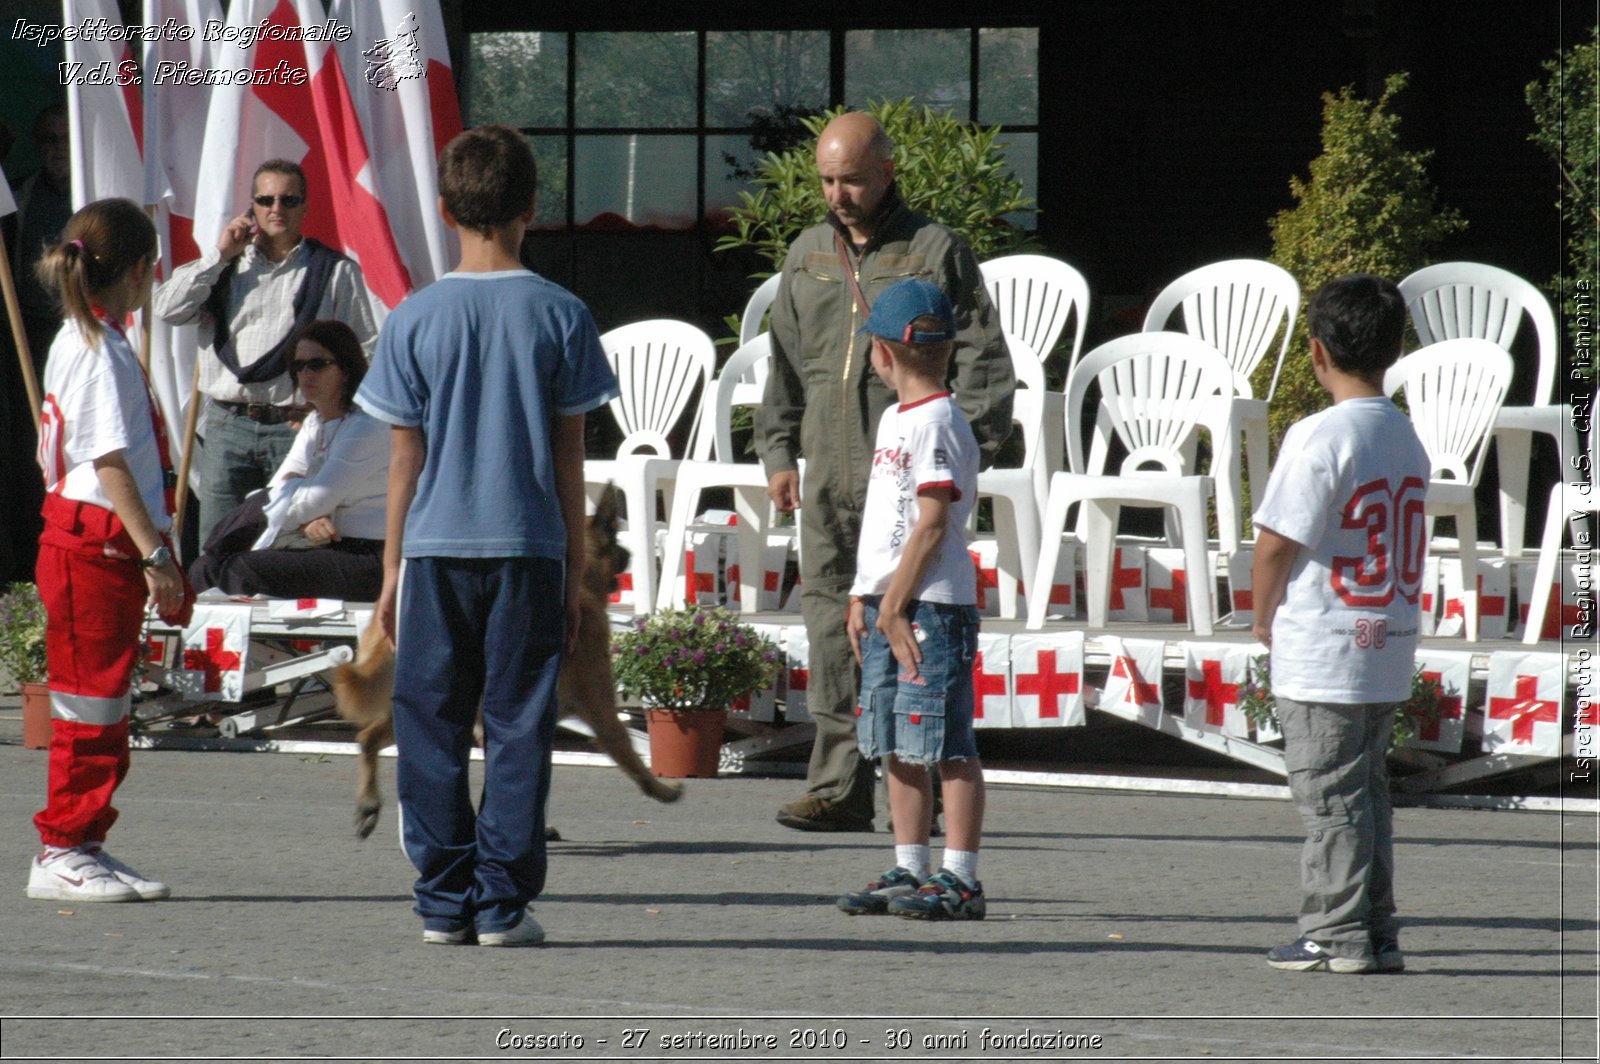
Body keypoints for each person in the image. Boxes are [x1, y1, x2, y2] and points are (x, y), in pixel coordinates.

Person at [356, 124, 619, 947]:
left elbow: (405, 458)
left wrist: (391, 570)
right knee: (517, 724)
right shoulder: (563, 312)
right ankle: (503, 903)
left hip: (433, 550)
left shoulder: (412, 318)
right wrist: (578, 567)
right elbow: (572, 455)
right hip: (530, 548)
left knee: (431, 723)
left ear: (444, 210)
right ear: (531, 210)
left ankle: (442, 899)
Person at [755, 111, 1013, 833]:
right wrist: (778, 452)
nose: (837, 194)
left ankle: (919, 790)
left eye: (852, 181)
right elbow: (781, 363)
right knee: (830, 627)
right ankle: (839, 785)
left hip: (901, 484)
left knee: (911, 633)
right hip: (827, 478)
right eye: (828, 181)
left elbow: (987, 368)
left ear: (888, 173)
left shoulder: (935, 250)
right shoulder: (807, 254)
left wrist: (963, 460)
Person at [1251, 273, 1430, 974]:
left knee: (1330, 799)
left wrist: (1261, 613)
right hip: (1385, 638)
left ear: (1318, 352)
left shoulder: (1319, 434)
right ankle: (1376, 928)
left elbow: (1276, 540)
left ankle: (1336, 931)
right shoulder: (1405, 433)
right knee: (1367, 793)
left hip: (1326, 641)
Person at [26, 198, 194, 904]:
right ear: (134, 269)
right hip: (91, 540)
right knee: (87, 706)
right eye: (151, 268)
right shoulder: (99, 349)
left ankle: (84, 839)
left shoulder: (89, 337)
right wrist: (158, 556)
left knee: (105, 703)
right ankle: (61, 847)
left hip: (93, 540)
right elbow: (111, 466)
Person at [835, 278, 987, 920]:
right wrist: (863, 593)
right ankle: (910, 864)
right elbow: (886, 518)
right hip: (889, 601)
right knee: (897, 735)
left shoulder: (937, 421)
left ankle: (961, 877)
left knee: (948, 741)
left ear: (882, 353)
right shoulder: (897, 420)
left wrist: (894, 604)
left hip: (929, 607)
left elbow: (930, 522)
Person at [153, 159, 380, 544]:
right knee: (218, 544)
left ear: (306, 208)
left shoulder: (335, 272)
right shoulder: (223, 268)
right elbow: (166, 309)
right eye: (266, 199)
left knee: (293, 544)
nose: (277, 209)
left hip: (297, 426)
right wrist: (219, 255)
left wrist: (332, 417)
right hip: (228, 425)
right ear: (252, 207)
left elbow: (366, 353)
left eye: (289, 200)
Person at [187, 319, 388, 602]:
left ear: (344, 369)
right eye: (297, 366)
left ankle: (232, 644)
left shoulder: (365, 427)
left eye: (317, 364)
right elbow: (278, 490)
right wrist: (306, 518)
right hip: (325, 547)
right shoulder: (315, 423)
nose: (305, 374)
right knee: (205, 567)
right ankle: (195, 643)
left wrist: (306, 502)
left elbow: (310, 499)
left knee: (241, 569)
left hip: (370, 557)